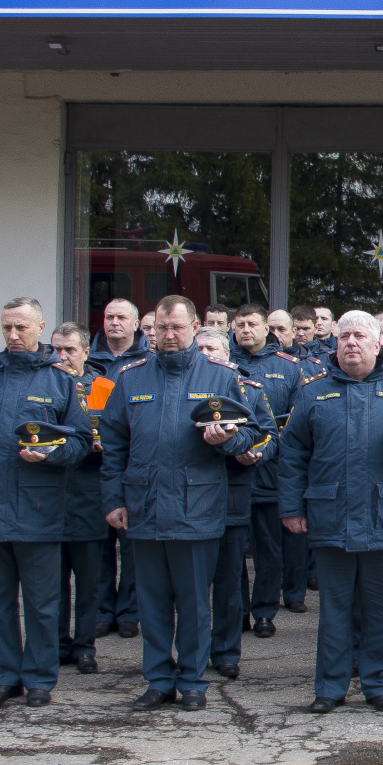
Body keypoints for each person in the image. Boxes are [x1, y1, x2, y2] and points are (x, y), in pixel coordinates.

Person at [98, 295, 268, 712]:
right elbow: (114, 444)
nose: (168, 336)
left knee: (194, 601)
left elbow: (256, 434)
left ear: (195, 327)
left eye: (176, 328)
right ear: (150, 329)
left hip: (198, 506)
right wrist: (113, 499)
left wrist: (230, 439)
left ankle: (192, 679)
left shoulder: (221, 376)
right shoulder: (130, 378)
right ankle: (158, 679)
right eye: (161, 328)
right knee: (152, 600)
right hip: (145, 504)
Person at [278, 311, 383, 713]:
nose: (351, 342)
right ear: (335, 344)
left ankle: (380, 684)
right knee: (334, 608)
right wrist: (291, 506)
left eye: (359, 336)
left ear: (378, 344)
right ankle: (330, 688)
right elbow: (293, 453)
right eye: (344, 336)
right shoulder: (313, 392)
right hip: (330, 514)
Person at [0, 297, 91, 709]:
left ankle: (40, 679)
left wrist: (52, 454)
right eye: (7, 328)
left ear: (40, 327)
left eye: (21, 328)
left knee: (43, 603)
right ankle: (5, 677)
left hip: (38, 508)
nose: (13, 336)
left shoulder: (61, 381)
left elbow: (81, 442)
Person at [195, 325, 275, 680]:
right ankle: (191, 652)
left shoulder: (250, 390)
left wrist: (252, 454)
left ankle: (226, 651)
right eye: (200, 350)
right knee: (191, 584)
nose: (206, 356)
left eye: (212, 349)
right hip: (189, 499)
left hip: (230, 495)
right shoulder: (183, 389)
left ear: (228, 355)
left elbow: (269, 436)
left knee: (228, 580)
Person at [229, 305, 310, 636]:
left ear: (267, 330)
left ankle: (264, 610)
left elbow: (296, 422)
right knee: (232, 552)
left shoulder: (288, 368)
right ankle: (236, 612)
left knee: (269, 549)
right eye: (240, 325)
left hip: (270, 470)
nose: (246, 330)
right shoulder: (224, 366)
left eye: (252, 324)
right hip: (230, 472)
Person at [88, 298, 151, 640]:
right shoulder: (88, 359)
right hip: (89, 468)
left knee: (131, 544)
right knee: (99, 544)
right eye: (109, 316)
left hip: (132, 465)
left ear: (136, 323)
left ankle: (129, 611)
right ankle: (102, 610)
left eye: (122, 317)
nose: (114, 323)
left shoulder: (148, 361)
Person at [50, 322, 110, 676]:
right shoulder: (43, 384)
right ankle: (57, 643)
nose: (62, 356)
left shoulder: (103, 387)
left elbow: (120, 436)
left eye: (70, 349)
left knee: (89, 581)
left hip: (89, 493)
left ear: (87, 352)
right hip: (51, 493)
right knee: (52, 581)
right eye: (57, 349)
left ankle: (85, 645)